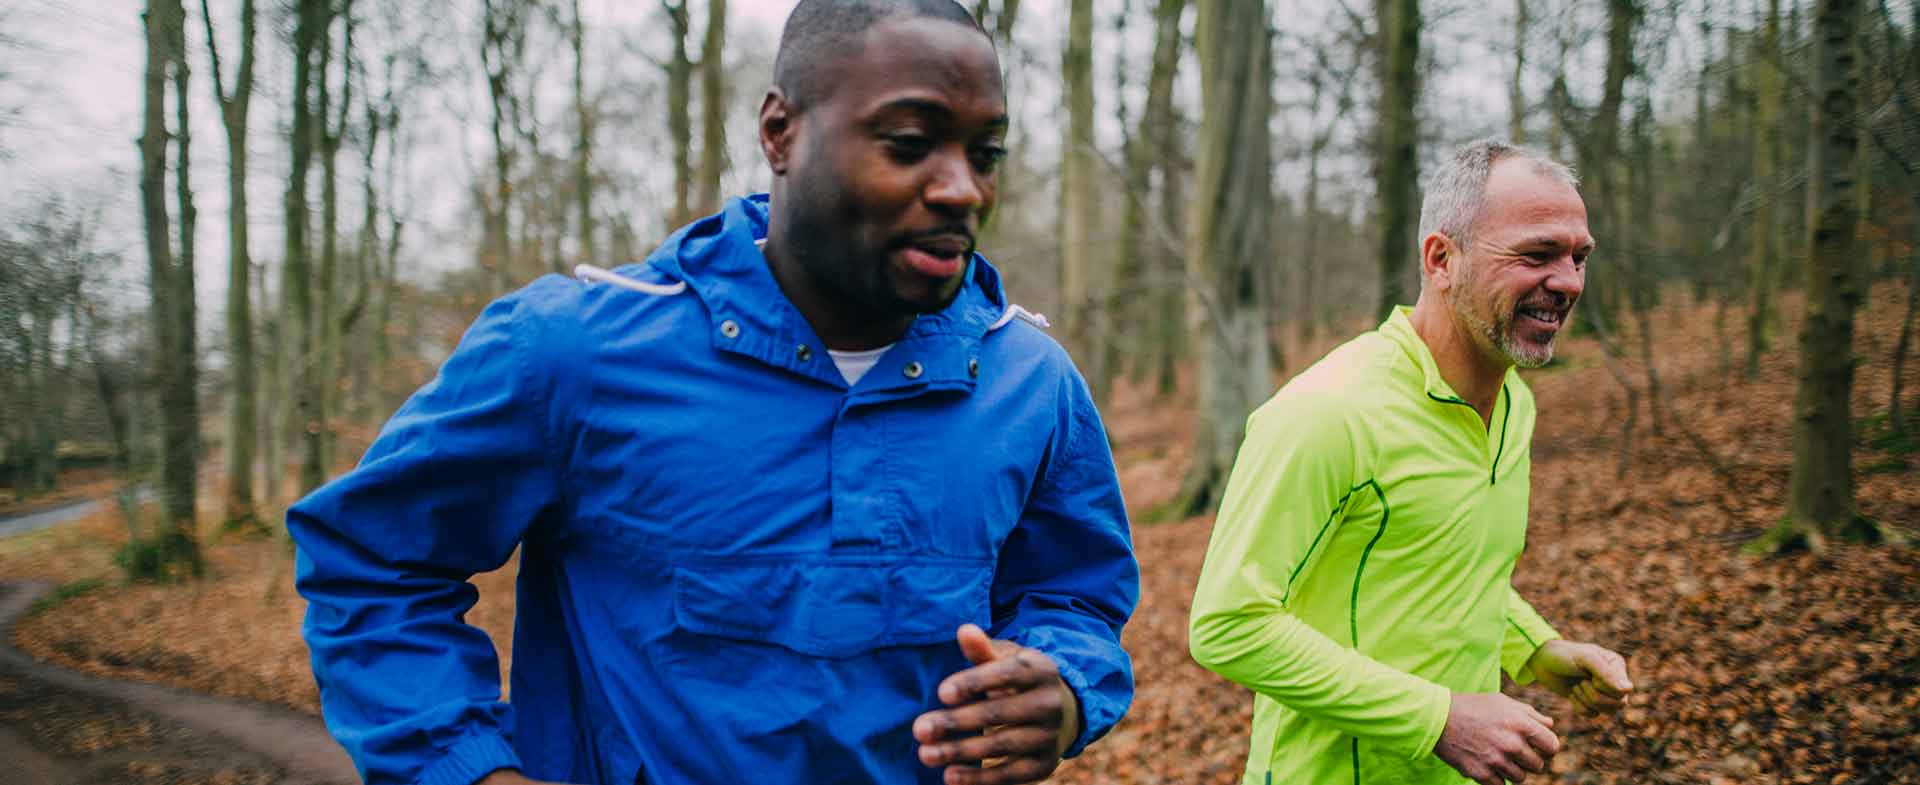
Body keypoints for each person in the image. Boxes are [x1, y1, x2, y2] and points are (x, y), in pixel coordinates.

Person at [287, 3, 1138, 784]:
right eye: (910, 143)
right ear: (781, 131)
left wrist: (1062, 689)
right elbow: (375, 560)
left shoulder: (1028, 379)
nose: (962, 189)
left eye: (984, 153)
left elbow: (1075, 593)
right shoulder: (573, 352)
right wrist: (468, 768)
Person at [1187, 140, 1634, 785]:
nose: (1568, 282)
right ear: (1442, 259)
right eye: (1538, 254)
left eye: (1578, 257)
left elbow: (1445, 567)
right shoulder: (1328, 412)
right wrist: (1440, 719)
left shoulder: (1514, 404)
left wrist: (1536, 648)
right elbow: (1228, 625)